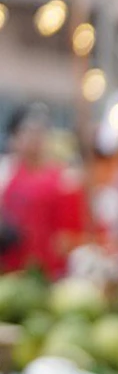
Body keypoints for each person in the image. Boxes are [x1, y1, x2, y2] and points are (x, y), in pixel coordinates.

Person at [0, 105, 83, 277]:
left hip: (49, 272)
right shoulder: (5, 173)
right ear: (14, 137)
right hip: (10, 269)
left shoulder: (65, 179)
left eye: (40, 132)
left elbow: (71, 234)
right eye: (28, 132)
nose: (35, 138)